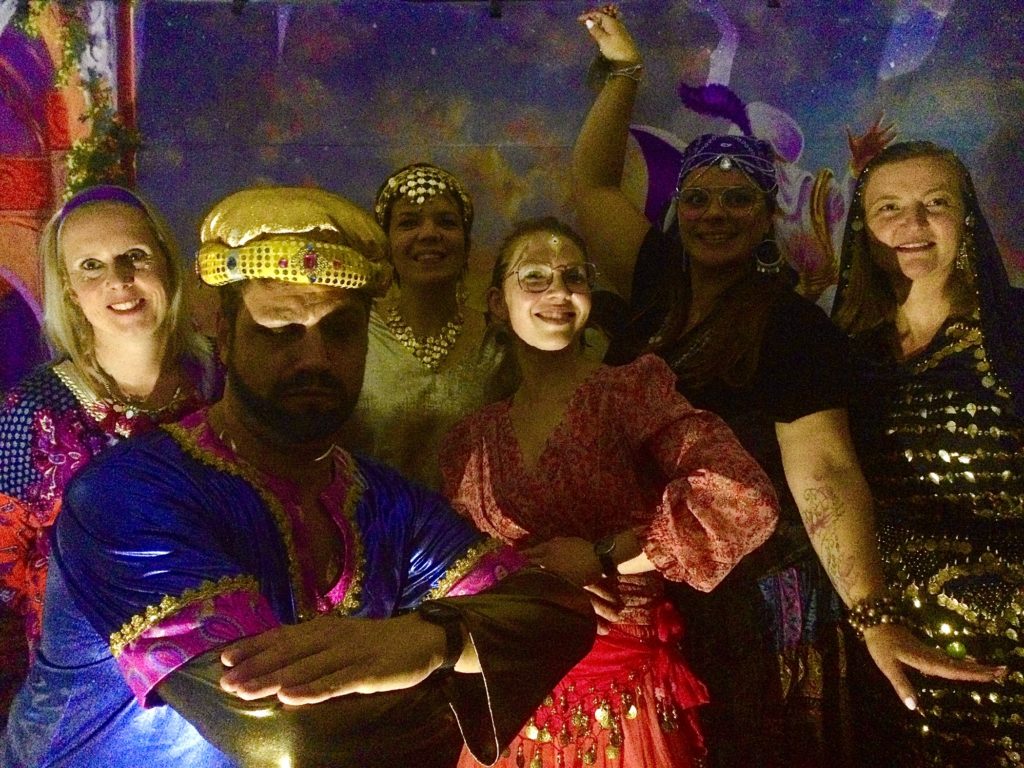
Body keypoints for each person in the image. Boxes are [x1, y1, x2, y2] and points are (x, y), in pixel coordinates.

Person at [2, 187, 596, 768]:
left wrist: (428, 639)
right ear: (226, 337)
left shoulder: (387, 502)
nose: (315, 358)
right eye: (281, 330)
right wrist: (457, 658)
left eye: (340, 330)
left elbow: (557, 615)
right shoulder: (125, 495)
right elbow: (283, 737)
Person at [570, 9, 1002, 767]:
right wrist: (624, 73)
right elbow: (592, 183)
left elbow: (825, 472)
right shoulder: (655, 283)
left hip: (757, 606)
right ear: (679, 208)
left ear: (767, 214)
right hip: (646, 594)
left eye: (739, 199)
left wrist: (871, 614)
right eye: (699, 198)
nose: (715, 214)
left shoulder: (792, 327)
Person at [439, 216, 780, 768]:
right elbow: (453, 568)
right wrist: (526, 579)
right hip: (517, 695)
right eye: (534, 276)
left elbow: (742, 496)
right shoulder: (470, 441)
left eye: (573, 276)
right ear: (498, 303)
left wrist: (604, 556)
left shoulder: (629, 392)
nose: (558, 291)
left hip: (626, 692)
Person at [832, 140, 1023, 767]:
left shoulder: (1015, 331)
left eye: (935, 203)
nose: (912, 224)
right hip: (879, 649)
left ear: (967, 217)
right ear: (862, 229)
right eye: (889, 207)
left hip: (1009, 659)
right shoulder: (840, 354)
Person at [0, 185, 220, 723]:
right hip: (88, 702)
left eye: (134, 256)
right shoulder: (31, 413)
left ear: (166, 263)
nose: (118, 280)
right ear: (71, 290)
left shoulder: (221, 385)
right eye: (91, 266)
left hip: (219, 684)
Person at [341, 163, 518, 489]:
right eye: (409, 223)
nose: (428, 234)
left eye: (446, 222)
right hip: (370, 517)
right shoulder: (355, 333)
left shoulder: (500, 344)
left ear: (466, 244)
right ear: (387, 244)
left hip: (473, 521)